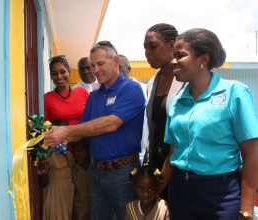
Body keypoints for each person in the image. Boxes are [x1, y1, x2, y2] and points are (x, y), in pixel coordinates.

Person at [162, 28, 258, 220]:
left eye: (180, 55)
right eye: (173, 56)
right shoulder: (177, 101)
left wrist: (246, 209)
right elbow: (173, 152)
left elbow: (252, 153)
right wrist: (159, 188)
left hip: (221, 195)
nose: (173, 61)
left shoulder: (234, 93)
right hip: (180, 192)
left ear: (203, 59)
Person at [44, 40, 146, 220]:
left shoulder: (131, 89)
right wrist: (49, 138)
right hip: (96, 171)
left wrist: (65, 132)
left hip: (122, 172)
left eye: (100, 64)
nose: (95, 70)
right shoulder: (94, 97)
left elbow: (111, 123)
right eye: (93, 65)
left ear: (115, 61)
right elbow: (80, 131)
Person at [143, 23, 186, 200]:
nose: (147, 52)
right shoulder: (153, 82)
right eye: (145, 48)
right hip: (156, 162)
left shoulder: (186, 81)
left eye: (152, 46)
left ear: (171, 45)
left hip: (178, 165)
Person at [38, 119, 75, 220]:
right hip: (55, 198)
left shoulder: (69, 155)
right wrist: (44, 173)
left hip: (68, 197)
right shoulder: (47, 155)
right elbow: (42, 183)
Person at [44, 55, 90, 125]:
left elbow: (91, 119)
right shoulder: (46, 98)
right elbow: (45, 127)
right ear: (51, 76)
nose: (59, 76)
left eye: (62, 72)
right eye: (55, 74)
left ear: (69, 72)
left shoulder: (83, 93)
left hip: (84, 135)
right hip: (58, 135)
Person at [71, 137, 92, 220]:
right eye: (75, 152)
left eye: (82, 150)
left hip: (97, 211)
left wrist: (91, 213)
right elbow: (72, 196)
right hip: (80, 213)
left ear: (89, 151)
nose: (79, 155)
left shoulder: (96, 167)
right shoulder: (73, 170)